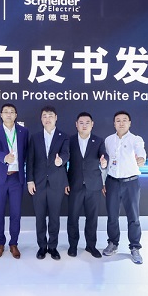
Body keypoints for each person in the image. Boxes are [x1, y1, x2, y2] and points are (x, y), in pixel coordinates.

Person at [26, 105, 70, 261]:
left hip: (56, 183)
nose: (47, 118)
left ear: (56, 118)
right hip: (38, 184)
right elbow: (30, 160)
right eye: (44, 116)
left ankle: (53, 247)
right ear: (41, 119)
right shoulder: (35, 137)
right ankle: (42, 247)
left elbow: (66, 154)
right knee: (40, 218)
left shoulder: (63, 136)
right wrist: (30, 180)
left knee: (54, 217)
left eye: (50, 115)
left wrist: (60, 161)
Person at [103, 110, 146, 264]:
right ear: (114, 123)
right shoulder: (108, 140)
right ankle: (113, 243)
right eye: (118, 120)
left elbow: (141, 152)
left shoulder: (136, 139)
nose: (121, 123)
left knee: (133, 217)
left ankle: (135, 247)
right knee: (112, 216)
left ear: (129, 123)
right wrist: (103, 182)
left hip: (131, 183)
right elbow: (105, 163)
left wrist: (141, 159)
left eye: (124, 120)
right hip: (112, 182)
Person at [0, 103, 29, 259]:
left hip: (16, 178)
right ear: (1, 115)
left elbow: (26, 152)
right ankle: (0, 243)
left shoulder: (23, 131)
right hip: (0, 179)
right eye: (6, 112)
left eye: (12, 112)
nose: (9, 114)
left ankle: (14, 244)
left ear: (16, 115)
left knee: (16, 213)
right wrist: (5, 157)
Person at [66, 111, 108, 259]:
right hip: (74, 185)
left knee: (92, 218)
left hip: (93, 186)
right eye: (81, 123)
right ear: (76, 124)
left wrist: (104, 161)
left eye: (87, 123)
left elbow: (104, 155)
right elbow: (63, 161)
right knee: (73, 218)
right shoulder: (69, 140)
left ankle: (91, 246)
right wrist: (65, 182)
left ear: (92, 124)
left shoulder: (98, 141)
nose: (84, 125)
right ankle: (73, 246)